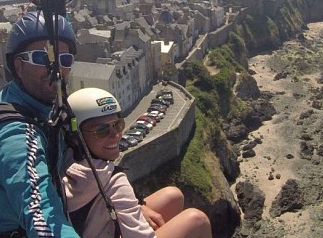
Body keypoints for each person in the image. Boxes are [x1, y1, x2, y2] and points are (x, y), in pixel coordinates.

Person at [0, 11, 81, 237]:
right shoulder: (15, 134)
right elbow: (43, 218)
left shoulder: (31, 102)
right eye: (43, 58)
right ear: (18, 67)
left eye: (65, 59)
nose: (57, 69)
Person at [63, 87, 212, 238]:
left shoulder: (65, 166)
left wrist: (138, 206)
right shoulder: (113, 180)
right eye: (102, 130)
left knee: (173, 196)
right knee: (198, 220)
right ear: (77, 136)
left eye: (118, 125)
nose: (115, 135)